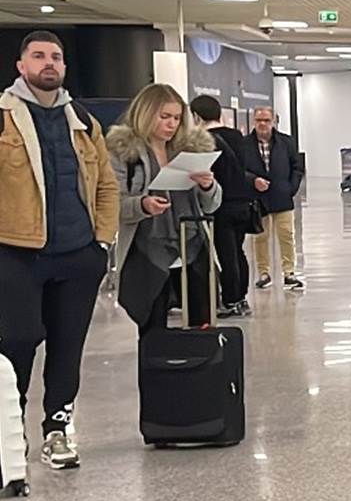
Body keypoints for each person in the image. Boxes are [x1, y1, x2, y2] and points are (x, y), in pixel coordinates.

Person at [0, 30, 117, 472]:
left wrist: (101, 242)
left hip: (77, 253)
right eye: (38, 56)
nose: (48, 63)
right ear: (21, 65)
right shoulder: (4, 116)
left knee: (68, 347)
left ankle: (58, 429)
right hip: (16, 253)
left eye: (56, 56)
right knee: (19, 339)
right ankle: (11, 429)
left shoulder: (83, 121)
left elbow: (106, 184)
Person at [107, 84, 223, 333]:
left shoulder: (190, 149)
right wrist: (142, 204)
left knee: (202, 326)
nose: (171, 124)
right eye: (165, 117)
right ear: (146, 113)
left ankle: (197, 360)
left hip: (192, 246)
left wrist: (207, 185)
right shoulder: (123, 152)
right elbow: (113, 203)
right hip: (146, 250)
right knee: (152, 326)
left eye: (177, 118)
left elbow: (212, 204)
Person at [191, 95, 256, 317]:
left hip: (221, 203)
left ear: (196, 116)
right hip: (243, 202)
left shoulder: (204, 141)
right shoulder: (237, 136)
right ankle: (241, 298)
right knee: (238, 251)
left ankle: (230, 300)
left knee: (226, 254)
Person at [238, 106, 304, 289]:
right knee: (260, 237)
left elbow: (297, 167)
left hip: (282, 197)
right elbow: (239, 169)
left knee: (287, 235)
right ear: (253, 121)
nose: (262, 124)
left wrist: (291, 188)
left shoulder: (286, 142)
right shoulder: (244, 144)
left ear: (273, 121)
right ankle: (264, 273)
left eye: (266, 120)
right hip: (258, 199)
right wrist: (253, 181)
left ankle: (289, 273)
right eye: (259, 120)